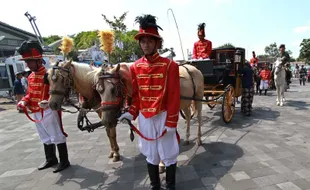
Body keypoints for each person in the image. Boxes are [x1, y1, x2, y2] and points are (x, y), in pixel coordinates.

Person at [118, 14, 180, 190]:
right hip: (145, 117)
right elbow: (136, 95)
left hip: (164, 115)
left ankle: (170, 186)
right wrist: (131, 112)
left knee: (168, 152)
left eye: (149, 41)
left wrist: (171, 121)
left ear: (157, 43)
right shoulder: (135, 67)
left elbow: (174, 95)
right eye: (143, 41)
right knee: (150, 152)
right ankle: (155, 185)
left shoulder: (170, 66)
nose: (146, 44)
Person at [16, 40, 70, 173]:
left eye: (29, 61)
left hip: (48, 110)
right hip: (35, 111)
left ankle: (64, 161)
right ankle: (51, 158)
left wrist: (47, 101)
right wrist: (24, 101)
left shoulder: (49, 75)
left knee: (56, 135)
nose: (27, 64)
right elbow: (29, 93)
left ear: (38, 60)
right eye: (26, 61)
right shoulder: (30, 76)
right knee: (44, 136)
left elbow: (56, 93)